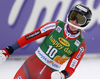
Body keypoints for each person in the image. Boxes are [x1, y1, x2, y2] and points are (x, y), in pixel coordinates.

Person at [0, 4, 92, 79]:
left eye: (80, 20)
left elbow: (71, 67)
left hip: (50, 75)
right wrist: (9, 50)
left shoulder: (81, 45)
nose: (74, 21)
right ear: (69, 15)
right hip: (30, 67)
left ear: (85, 23)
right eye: (73, 16)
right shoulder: (54, 26)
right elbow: (29, 37)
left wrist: (62, 75)